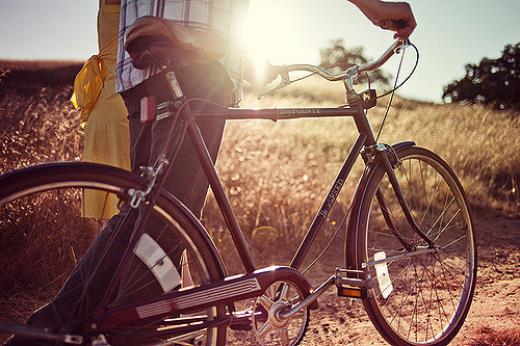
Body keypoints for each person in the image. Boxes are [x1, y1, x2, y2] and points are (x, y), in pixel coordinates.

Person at [4, 1, 415, 345]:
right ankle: (43, 334)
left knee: (152, 216)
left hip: (139, 71)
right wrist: (378, 8)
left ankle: (117, 330)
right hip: (194, 65)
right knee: (160, 220)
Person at [71, 0, 130, 230]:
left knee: (109, 221)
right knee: (149, 214)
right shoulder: (137, 7)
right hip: (125, 109)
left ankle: (103, 266)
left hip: (102, 111)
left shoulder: (106, 6)